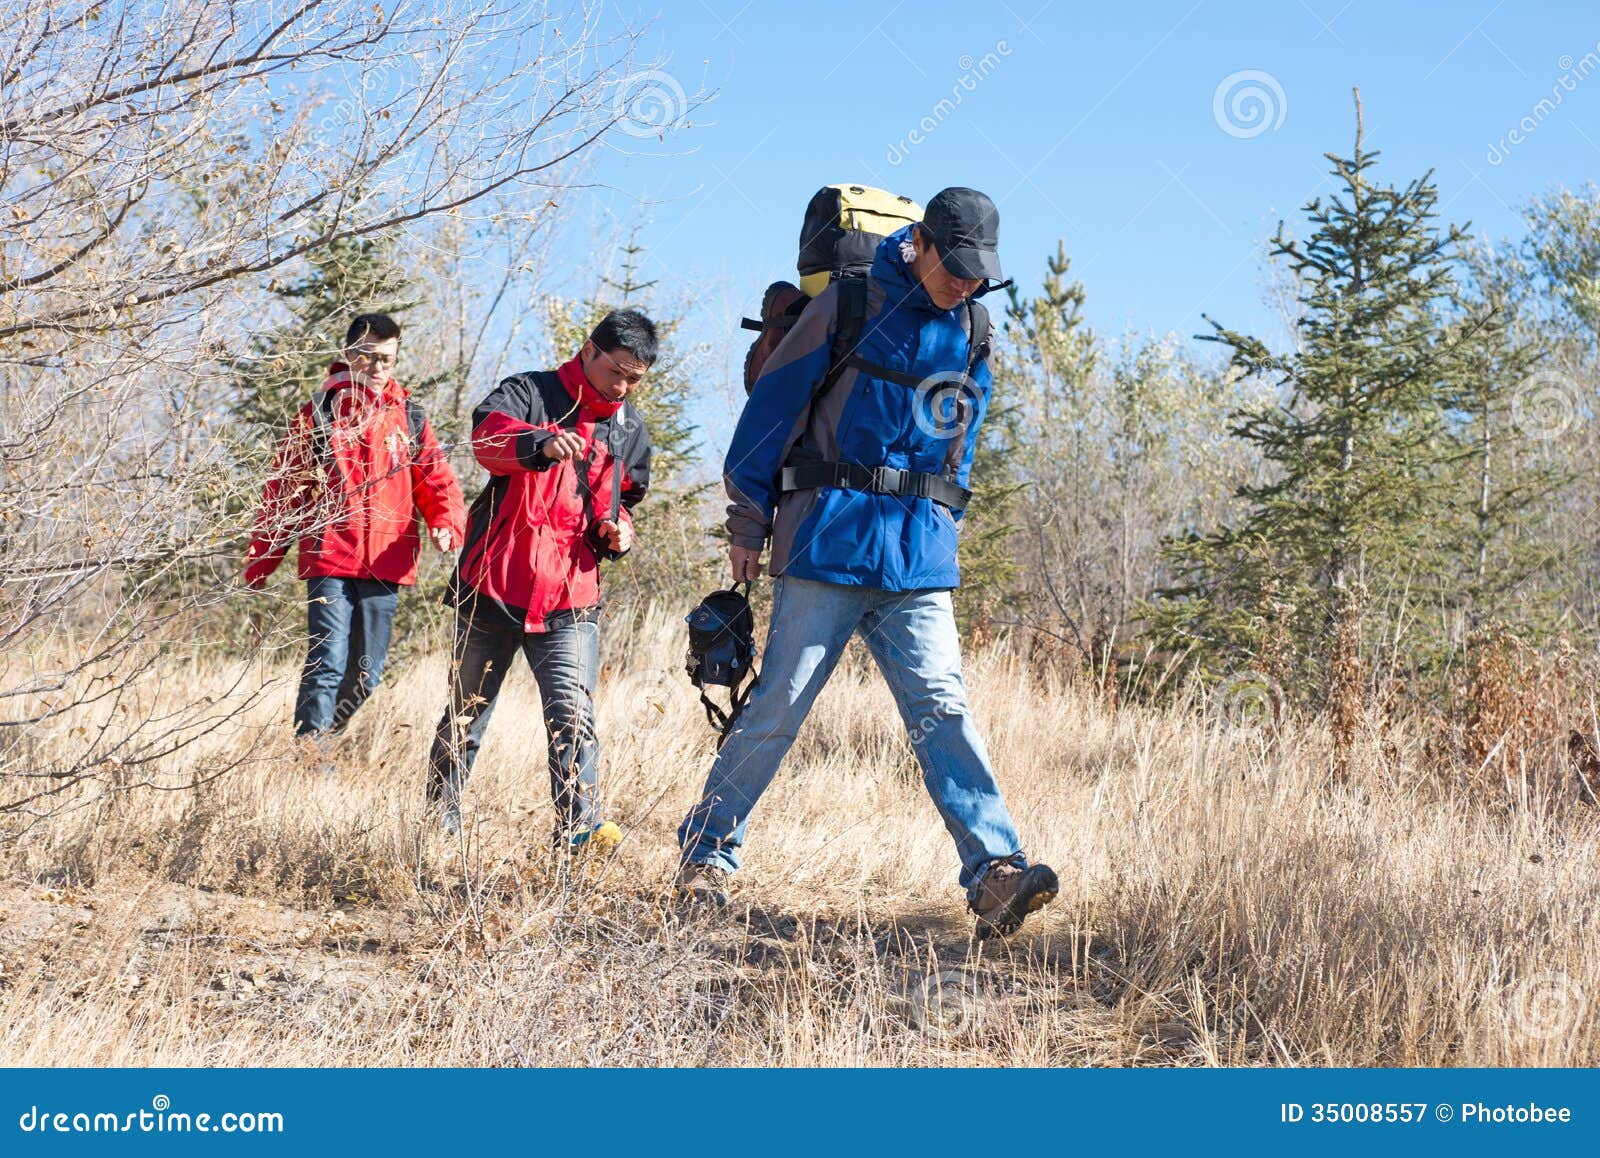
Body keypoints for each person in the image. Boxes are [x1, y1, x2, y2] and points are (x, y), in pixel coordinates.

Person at [675, 188, 1058, 938]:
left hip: (918, 558)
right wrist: (748, 520)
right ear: (920, 242)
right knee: (779, 704)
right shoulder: (849, 305)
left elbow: (962, 436)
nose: (968, 284)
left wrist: (948, 516)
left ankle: (995, 874)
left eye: (981, 273)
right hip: (828, 540)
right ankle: (705, 858)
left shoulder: (973, 327)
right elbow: (772, 411)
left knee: (943, 710)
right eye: (958, 268)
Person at [427, 309, 655, 848]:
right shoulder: (529, 391)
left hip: (571, 598)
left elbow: (621, 501)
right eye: (616, 370)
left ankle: (576, 836)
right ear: (589, 349)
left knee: (573, 719)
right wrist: (540, 444)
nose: (621, 385)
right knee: (466, 714)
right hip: (494, 586)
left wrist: (618, 530)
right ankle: (436, 826)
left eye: (635, 378)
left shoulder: (630, 429)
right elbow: (487, 439)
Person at [245, 313, 465, 743]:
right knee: (327, 662)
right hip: (329, 557)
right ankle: (311, 757)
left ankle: (325, 735)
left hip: (388, 561)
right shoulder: (319, 415)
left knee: (367, 675)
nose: (379, 367)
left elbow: (438, 481)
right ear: (349, 355)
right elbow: (284, 491)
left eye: (388, 359)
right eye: (369, 357)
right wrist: (261, 560)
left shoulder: (411, 418)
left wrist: (445, 523)